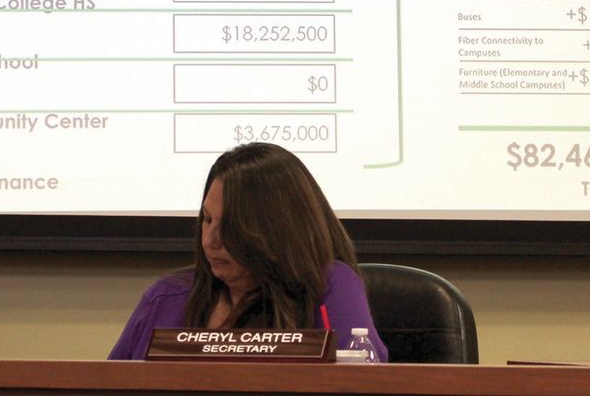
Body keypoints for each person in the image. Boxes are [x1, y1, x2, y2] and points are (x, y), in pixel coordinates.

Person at [109, 142, 387, 361]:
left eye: (230, 227)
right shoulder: (166, 296)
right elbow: (106, 385)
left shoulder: (328, 285)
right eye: (207, 220)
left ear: (277, 230)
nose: (210, 240)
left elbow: (361, 381)